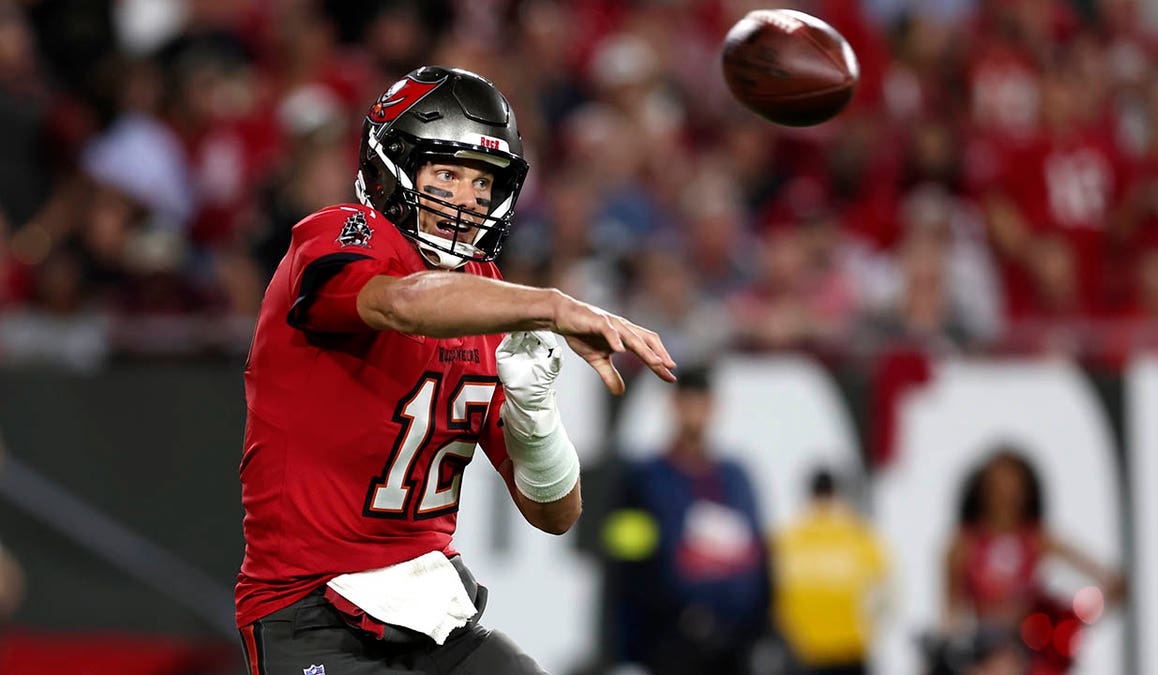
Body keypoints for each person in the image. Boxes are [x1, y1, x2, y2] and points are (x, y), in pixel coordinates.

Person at [235, 66, 676, 675]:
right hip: (311, 609)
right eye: (447, 172)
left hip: (432, 607)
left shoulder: (486, 297)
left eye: (482, 181)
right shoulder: (338, 235)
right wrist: (553, 303)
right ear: (393, 169)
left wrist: (535, 417)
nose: (467, 199)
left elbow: (555, 514)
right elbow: (403, 304)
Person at [606, 366, 771, 675]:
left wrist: (762, 635)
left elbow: (759, 560)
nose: (695, 413)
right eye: (688, 403)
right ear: (674, 406)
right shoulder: (644, 480)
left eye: (702, 403)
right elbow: (625, 568)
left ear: (714, 408)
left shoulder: (736, 479)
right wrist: (626, 651)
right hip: (668, 646)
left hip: (733, 648)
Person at [943, 448, 1125, 674]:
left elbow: (1112, 582)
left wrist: (1069, 621)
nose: (1005, 493)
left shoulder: (1037, 539)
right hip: (986, 650)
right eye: (997, 485)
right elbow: (951, 614)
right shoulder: (963, 545)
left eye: (1013, 484)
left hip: (1032, 649)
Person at [771, 468, 890, 675]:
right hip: (848, 648)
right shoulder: (858, 534)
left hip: (806, 651)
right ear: (836, 494)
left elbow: (773, 589)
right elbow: (884, 593)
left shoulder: (789, 537)